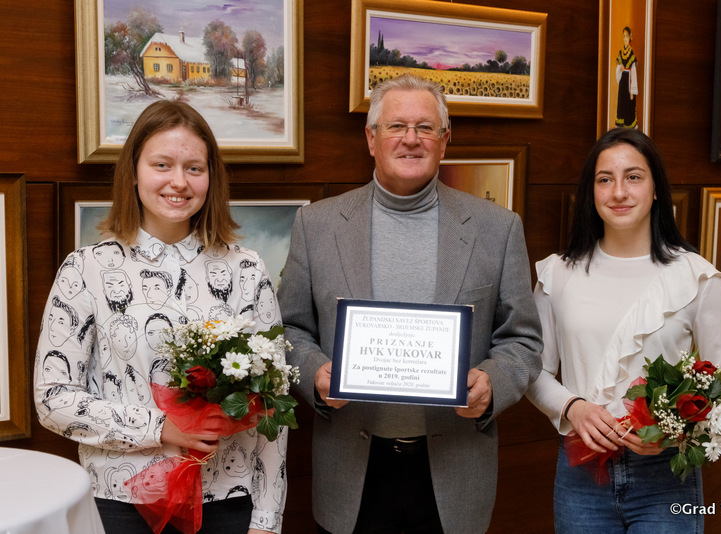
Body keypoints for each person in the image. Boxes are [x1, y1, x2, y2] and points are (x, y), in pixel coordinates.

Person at [277, 74, 542, 534]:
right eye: (397, 126)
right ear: (371, 138)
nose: (411, 139)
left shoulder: (497, 228)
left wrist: (492, 384)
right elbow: (288, 329)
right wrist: (315, 373)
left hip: (454, 470)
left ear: (445, 140)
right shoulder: (316, 225)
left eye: (425, 128)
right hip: (351, 469)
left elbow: (523, 341)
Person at [34, 100, 286, 534]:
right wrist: (161, 427)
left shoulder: (246, 270)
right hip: (120, 500)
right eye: (162, 165)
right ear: (134, 172)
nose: (179, 182)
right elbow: (52, 398)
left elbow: (271, 401)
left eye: (194, 168)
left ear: (211, 177)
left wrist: (267, 518)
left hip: (226, 500)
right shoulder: (85, 269)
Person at [526, 128, 721, 533]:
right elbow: (532, 370)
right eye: (605, 179)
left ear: (656, 188)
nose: (619, 192)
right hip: (581, 472)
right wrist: (573, 408)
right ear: (591, 192)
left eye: (634, 177)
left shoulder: (697, 278)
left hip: (667, 476)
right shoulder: (558, 274)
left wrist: (673, 435)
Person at [615, 26, 639, 129]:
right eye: (624, 36)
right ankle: (621, 126)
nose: (625, 38)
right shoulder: (621, 52)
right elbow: (619, 66)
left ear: (630, 37)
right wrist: (620, 68)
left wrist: (632, 90)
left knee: (629, 102)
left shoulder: (631, 53)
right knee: (621, 101)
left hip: (629, 80)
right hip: (623, 81)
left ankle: (629, 125)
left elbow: (633, 71)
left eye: (627, 36)